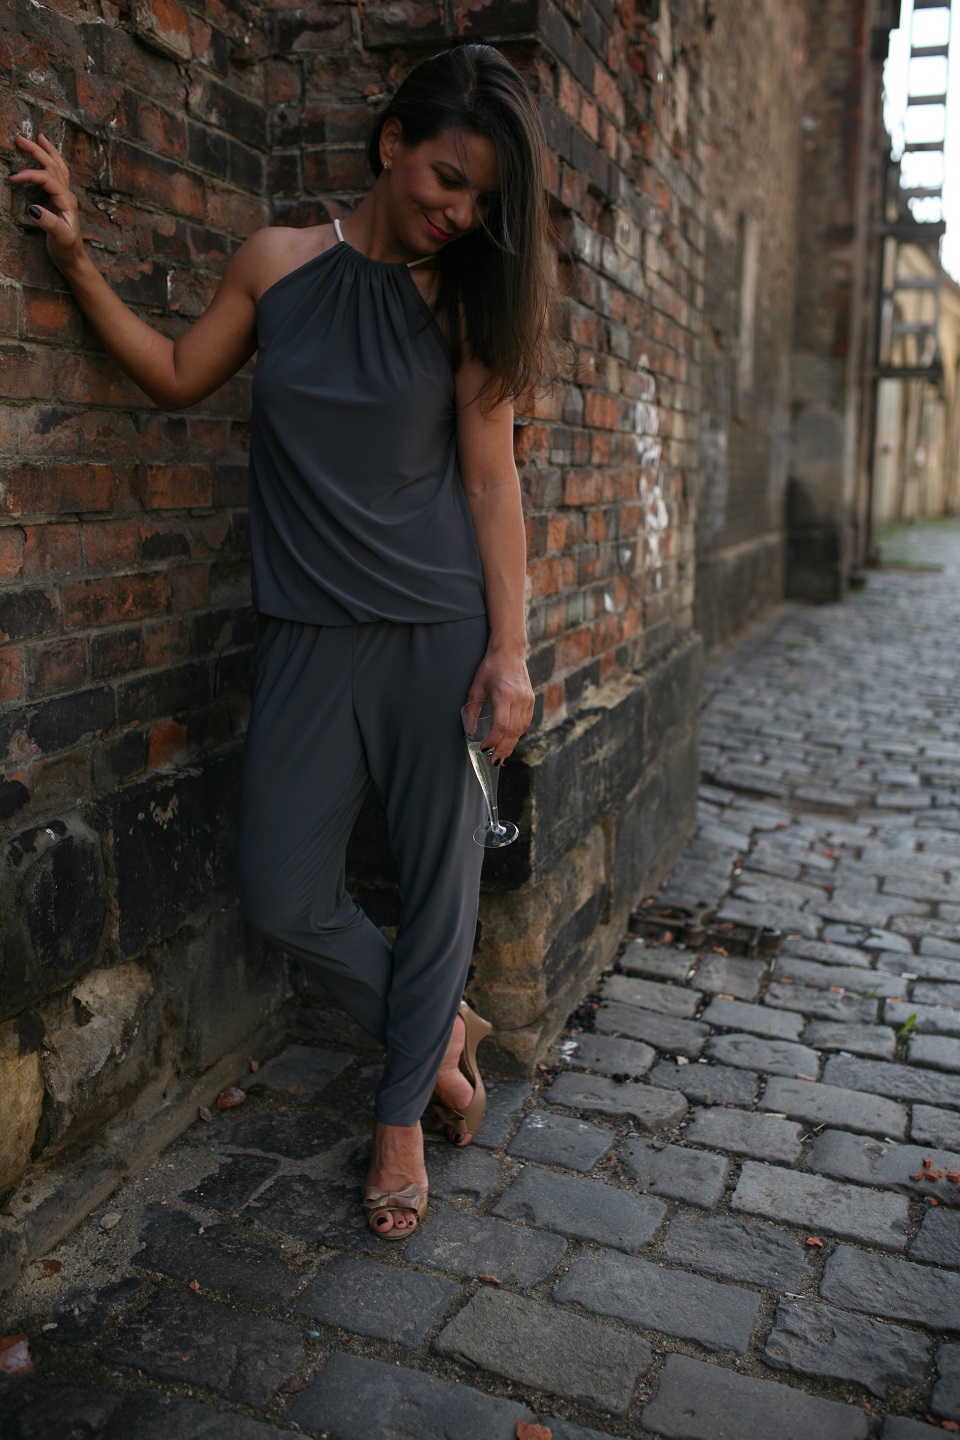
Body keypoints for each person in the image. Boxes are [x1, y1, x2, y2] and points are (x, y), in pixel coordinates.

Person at [10, 42, 555, 1239]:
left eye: (479, 199)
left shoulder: (466, 303)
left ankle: (400, 1117)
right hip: (306, 633)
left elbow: (491, 481)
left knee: (441, 884)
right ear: (391, 145)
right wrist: (75, 258)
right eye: (447, 179)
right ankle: (440, 1031)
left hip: (436, 633)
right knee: (280, 889)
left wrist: (510, 652)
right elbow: (175, 374)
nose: (458, 213)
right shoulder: (275, 263)